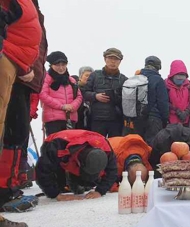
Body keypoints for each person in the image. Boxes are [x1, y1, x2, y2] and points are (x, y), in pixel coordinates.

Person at [0, 0, 43, 218]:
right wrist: (20, 64)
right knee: (12, 133)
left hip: (24, 75)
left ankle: (12, 185)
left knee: (18, 133)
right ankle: (5, 191)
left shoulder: (32, 6)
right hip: (14, 69)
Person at [35, 130, 117, 201]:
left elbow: (112, 171)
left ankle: (75, 181)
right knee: (60, 184)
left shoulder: (106, 149)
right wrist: (55, 194)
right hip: (57, 142)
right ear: (79, 163)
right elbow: (42, 170)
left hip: (87, 141)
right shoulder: (57, 147)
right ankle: (67, 180)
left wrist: (100, 191)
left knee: (89, 182)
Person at [82, 48, 128, 138]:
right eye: (110, 58)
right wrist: (95, 96)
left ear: (120, 61)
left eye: (116, 59)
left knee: (115, 147)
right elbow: (84, 93)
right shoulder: (94, 75)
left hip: (116, 120)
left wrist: (116, 97)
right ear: (104, 59)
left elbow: (127, 101)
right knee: (97, 146)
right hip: (97, 119)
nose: (113, 61)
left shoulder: (124, 79)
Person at [39, 51, 82, 135]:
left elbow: (79, 96)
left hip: (70, 118)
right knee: (55, 145)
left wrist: (72, 106)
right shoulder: (46, 78)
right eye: (57, 65)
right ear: (51, 65)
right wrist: (62, 106)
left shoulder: (71, 80)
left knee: (69, 146)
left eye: (63, 65)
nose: (61, 68)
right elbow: (43, 95)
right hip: (53, 120)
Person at [130, 56, 169, 144]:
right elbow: (163, 103)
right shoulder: (158, 80)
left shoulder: (134, 79)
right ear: (158, 67)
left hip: (137, 118)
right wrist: (165, 119)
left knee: (138, 144)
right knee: (152, 145)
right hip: (154, 118)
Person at [165, 60, 190, 127]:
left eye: (183, 76)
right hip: (170, 120)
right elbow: (165, 101)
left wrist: (187, 112)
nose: (180, 78)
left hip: (186, 119)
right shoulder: (166, 85)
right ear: (172, 75)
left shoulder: (188, 84)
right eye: (178, 76)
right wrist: (177, 111)